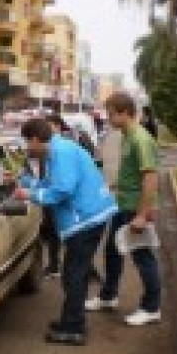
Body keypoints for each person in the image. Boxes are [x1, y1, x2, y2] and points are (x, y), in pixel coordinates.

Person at [14, 118, 118, 345]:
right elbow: (51, 183)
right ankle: (70, 320)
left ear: (35, 139)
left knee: (74, 274)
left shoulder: (61, 153)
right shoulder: (58, 150)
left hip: (85, 218)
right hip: (88, 216)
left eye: (27, 142)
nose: (26, 147)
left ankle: (73, 328)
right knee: (74, 273)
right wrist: (26, 185)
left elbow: (62, 190)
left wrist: (30, 195)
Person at [85, 91, 163, 327]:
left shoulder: (140, 139)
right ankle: (109, 296)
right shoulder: (127, 136)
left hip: (135, 208)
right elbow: (134, 173)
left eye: (110, 114)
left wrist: (142, 214)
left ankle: (151, 307)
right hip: (123, 204)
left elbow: (150, 177)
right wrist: (114, 184)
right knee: (112, 251)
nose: (107, 118)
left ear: (124, 113)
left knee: (142, 256)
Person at [43, 114, 103, 285]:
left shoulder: (68, 145)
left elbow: (67, 185)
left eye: (49, 126)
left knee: (76, 252)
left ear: (58, 126)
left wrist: (38, 193)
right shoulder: (49, 146)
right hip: (57, 198)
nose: (47, 131)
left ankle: (86, 271)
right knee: (54, 233)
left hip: (76, 206)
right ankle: (55, 265)